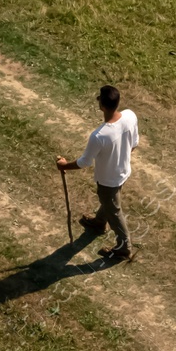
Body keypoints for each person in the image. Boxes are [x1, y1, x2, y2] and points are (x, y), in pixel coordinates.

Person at [56, 86, 139, 262]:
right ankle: (100, 222)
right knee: (109, 202)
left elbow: (84, 162)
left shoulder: (99, 136)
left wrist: (64, 165)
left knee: (114, 211)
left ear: (101, 105)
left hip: (109, 180)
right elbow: (134, 144)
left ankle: (124, 247)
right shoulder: (130, 116)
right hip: (123, 171)